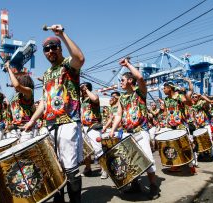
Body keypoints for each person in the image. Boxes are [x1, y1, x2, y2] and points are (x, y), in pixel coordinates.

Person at [24, 24, 84, 203]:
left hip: (68, 122)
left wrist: (62, 35)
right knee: (54, 165)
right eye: (46, 49)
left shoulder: (68, 65)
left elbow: (79, 58)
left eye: (53, 47)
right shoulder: (47, 73)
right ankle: (59, 199)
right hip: (49, 124)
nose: (50, 51)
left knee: (70, 166)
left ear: (59, 48)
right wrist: (32, 120)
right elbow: (44, 101)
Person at [109, 58, 160, 200]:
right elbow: (119, 114)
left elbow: (140, 77)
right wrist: (113, 129)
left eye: (122, 80)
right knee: (130, 161)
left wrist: (127, 65)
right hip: (126, 133)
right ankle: (135, 185)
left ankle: (153, 185)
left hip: (140, 132)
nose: (120, 83)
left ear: (130, 81)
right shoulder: (122, 98)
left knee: (147, 159)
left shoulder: (140, 92)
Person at [162, 81, 197, 174]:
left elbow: (189, 103)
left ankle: (191, 166)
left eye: (164, 88)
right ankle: (176, 165)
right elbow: (165, 111)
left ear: (170, 88)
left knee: (185, 146)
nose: (163, 90)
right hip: (170, 126)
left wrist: (185, 94)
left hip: (181, 125)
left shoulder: (179, 96)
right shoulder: (166, 99)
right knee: (172, 146)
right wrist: (163, 119)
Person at [80, 82, 107, 179]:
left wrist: (86, 89)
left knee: (98, 149)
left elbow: (95, 99)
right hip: (84, 128)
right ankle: (88, 169)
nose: (81, 89)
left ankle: (104, 169)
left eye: (83, 87)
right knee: (86, 150)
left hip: (94, 127)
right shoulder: (82, 100)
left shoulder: (93, 97)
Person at [4, 61, 35, 142]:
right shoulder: (15, 96)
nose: (12, 83)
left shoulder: (29, 91)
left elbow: (17, 85)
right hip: (14, 129)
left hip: (25, 129)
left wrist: (8, 69)